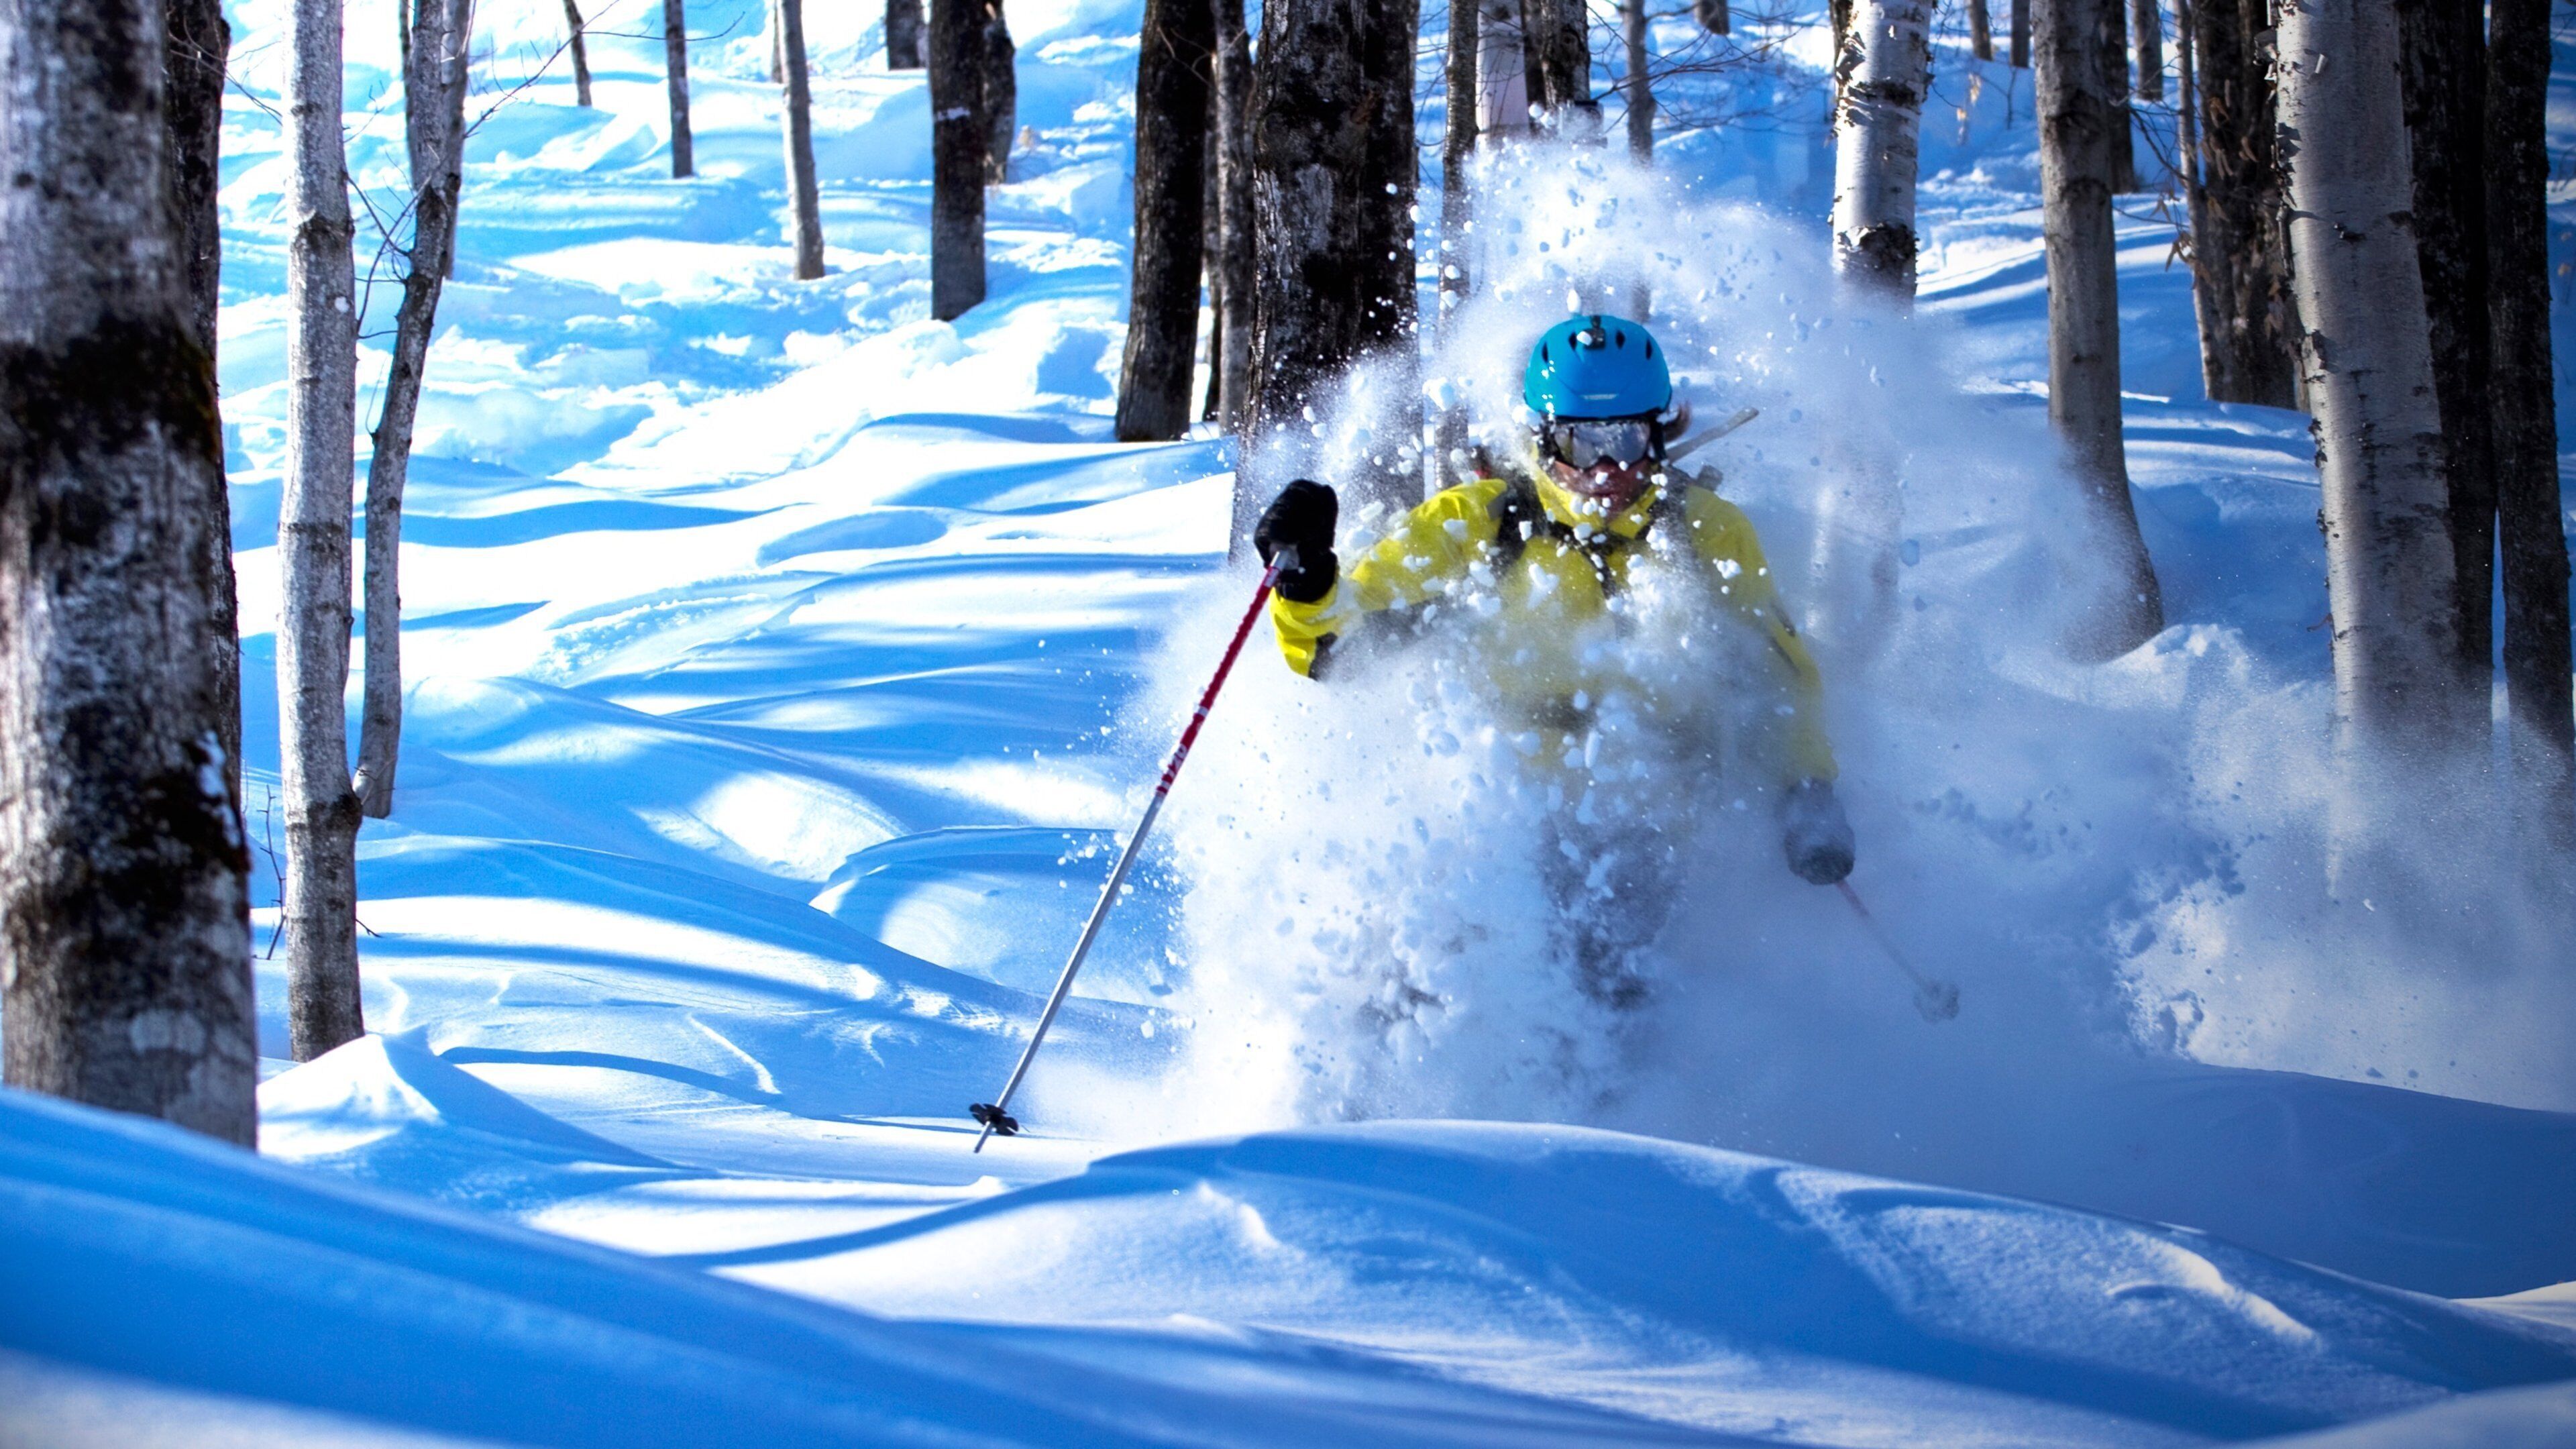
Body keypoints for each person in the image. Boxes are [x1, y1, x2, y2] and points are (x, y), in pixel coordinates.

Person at [1251, 315, 1854, 1004]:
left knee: (1605, 985)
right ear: (1543, 436)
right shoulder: (1479, 521)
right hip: (1498, 811)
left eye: (1628, 438)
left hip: (1650, 815)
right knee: (1421, 973)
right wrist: (1307, 584)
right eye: (1583, 441)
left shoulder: (1709, 531)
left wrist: (1807, 789)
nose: (1608, 469)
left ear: (1659, 432)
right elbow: (1338, 648)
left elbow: (1777, 672)